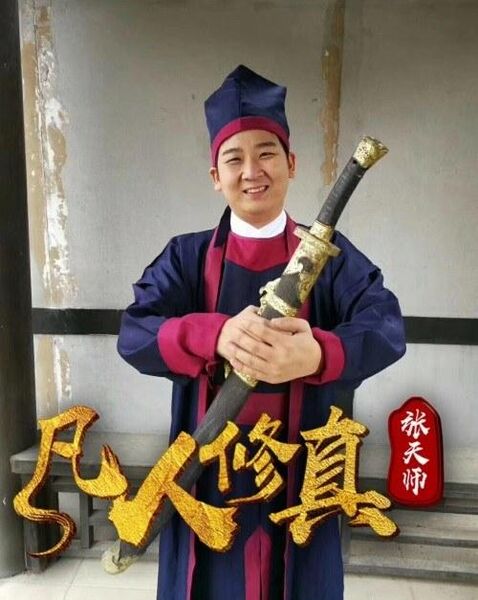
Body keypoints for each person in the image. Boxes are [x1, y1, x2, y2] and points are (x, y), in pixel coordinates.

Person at [117, 65, 406, 600]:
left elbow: (386, 326)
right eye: (234, 158)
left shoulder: (330, 259)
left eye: (267, 153)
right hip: (209, 474)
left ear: (291, 164)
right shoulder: (186, 257)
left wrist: (320, 354)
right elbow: (135, 333)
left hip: (299, 472)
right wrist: (213, 335)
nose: (252, 171)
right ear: (215, 175)